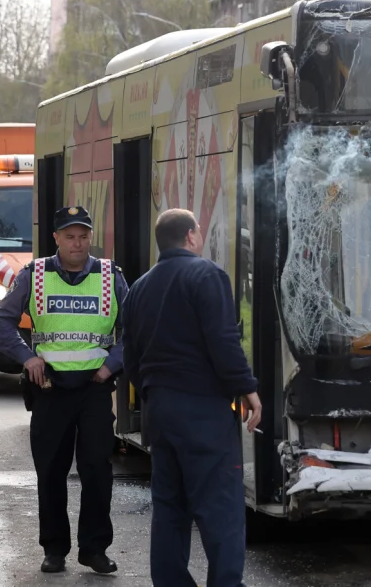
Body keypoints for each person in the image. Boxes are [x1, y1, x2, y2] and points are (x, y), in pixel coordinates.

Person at [124, 208, 262, 587]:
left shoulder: (138, 288)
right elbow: (223, 340)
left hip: (160, 412)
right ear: (190, 236)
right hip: (203, 411)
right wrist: (246, 387)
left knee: (170, 506)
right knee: (221, 508)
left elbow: (131, 357)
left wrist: (157, 390)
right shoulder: (207, 275)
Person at [0, 206, 127, 574]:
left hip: (95, 389)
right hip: (49, 389)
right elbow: (1, 320)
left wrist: (112, 364)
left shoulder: (111, 276)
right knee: (51, 471)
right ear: (56, 239)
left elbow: (135, 329)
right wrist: (25, 358)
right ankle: (54, 549)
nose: (77, 243)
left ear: (91, 237)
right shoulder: (33, 275)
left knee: (97, 469)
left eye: (83, 236)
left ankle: (94, 550)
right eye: (70, 236)